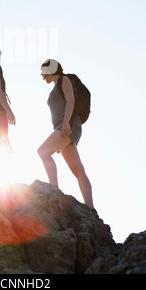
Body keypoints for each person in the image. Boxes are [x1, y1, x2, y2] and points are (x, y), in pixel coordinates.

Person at [37, 59, 94, 209]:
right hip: (64, 127)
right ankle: (90, 208)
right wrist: (58, 140)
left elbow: (70, 100)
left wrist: (66, 123)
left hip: (69, 125)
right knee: (78, 170)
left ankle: (53, 189)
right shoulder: (56, 86)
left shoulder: (64, 79)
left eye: (43, 71)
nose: (42, 75)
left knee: (42, 151)